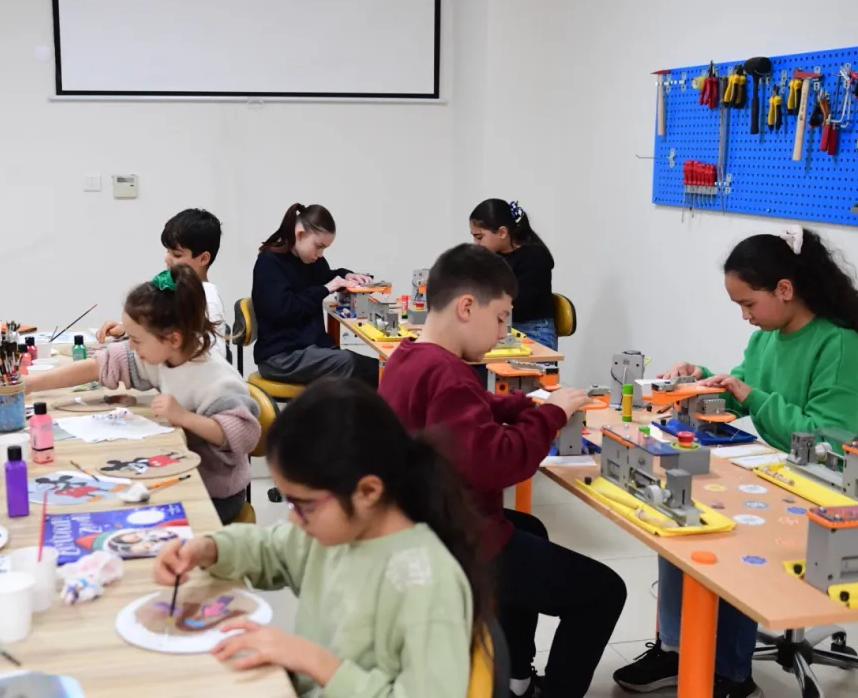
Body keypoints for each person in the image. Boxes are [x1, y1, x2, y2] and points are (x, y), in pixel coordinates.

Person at [613, 226, 858, 698]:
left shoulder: (844, 349)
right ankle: (677, 649)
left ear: (784, 289)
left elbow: (823, 440)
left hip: (845, 489)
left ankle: (732, 676)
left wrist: (749, 395)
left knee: (730, 534)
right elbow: (744, 391)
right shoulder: (770, 336)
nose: (745, 316)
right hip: (791, 472)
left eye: (748, 303)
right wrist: (701, 381)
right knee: (678, 514)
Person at [379, 243, 627, 698]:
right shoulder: (450, 376)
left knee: (530, 527)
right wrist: (549, 416)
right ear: (466, 307)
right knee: (604, 592)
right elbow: (500, 463)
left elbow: (470, 407)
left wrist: (526, 403)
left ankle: (514, 675)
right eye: (500, 318)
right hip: (456, 537)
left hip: (421, 520)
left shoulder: (409, 357)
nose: (502, 332)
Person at [153, 378, 488, 696]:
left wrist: (316, 662)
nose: (293, 518)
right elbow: (270, 549)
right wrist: (208, 549)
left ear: (368, 491)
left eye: (304, 505)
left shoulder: (428, 582)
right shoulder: (335, 533)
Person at [26, 265, 257, 524]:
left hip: (216, 492)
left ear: (173, 339)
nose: (131, 347)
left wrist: (184, 417)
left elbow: (245, 435)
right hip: (180, 471)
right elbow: (100, 365)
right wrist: (30, 384)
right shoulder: (162, 355)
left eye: (136, 340)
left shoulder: (216, 379)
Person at [251, 203, 379, 386]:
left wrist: (346, 275)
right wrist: (326, 288)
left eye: (324, 248)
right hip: (281, 357)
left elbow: (325, 277)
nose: (320, 254)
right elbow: (285, 309)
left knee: (375, 368)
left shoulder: (311, 261)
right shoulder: (269, 263)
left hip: (309, 348)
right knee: (355, 365)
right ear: (300, 234)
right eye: (318, 246)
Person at [97, 208, 227, 361]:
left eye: (177, 254)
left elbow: (215, 356)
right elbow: (159, 325)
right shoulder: (176, 289)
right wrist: (128, 329)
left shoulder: (207, 299)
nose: (167, 259)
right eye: (167, 251)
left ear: (203, 258)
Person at [469, 199, 557, 350]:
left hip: (533, 333)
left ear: (502, 232)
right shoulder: (494, 256)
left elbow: (515, 305)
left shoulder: (535, 258)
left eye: (479, 237)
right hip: (503, 327)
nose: (475, 243)